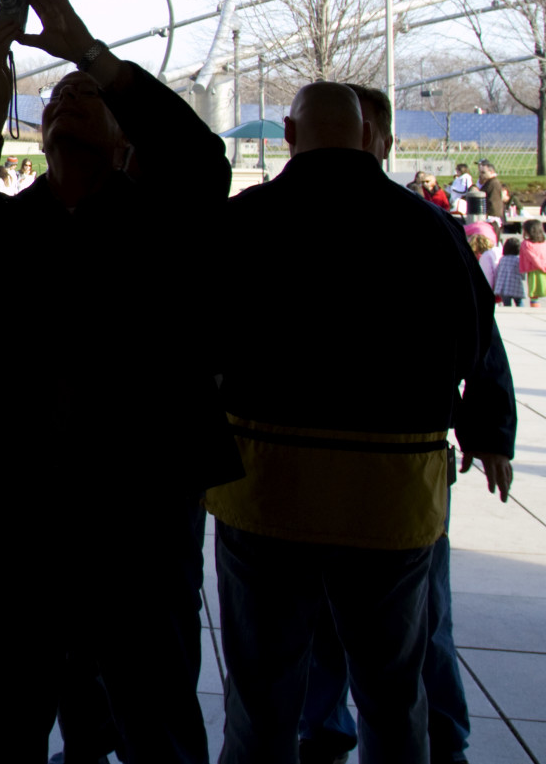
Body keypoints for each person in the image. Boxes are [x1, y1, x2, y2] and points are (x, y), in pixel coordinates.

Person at [0, 0, 240, 764]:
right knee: (10, 710)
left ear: (128, 139)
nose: (63, 103)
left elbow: (200, 158)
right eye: (53, 100)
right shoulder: (15, 231)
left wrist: (93, 54)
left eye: (85, 97)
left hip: (139, 513)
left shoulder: (164, 225)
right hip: (19, 514)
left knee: (154, 709)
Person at [206, 81, 489, 764]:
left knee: (262, 698)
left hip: (267, 487)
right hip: (390, 495)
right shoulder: (430, 228)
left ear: (290, 136)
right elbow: (473, 342)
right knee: (393, 694)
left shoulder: (246, 221)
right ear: (368, 136)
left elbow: (200, 339)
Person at [295, 87, 515, 764]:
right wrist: (485, 428)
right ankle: (425, 738)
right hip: (402, 469)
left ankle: (353, 733)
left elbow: (479, 340)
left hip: (315, 465)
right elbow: (482, 338)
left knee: (374, 624)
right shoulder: (428, 229)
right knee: (412, 622)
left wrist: (485, 426)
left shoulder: (278, 218)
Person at [519, 220, 546, 306]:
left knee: (534, 294)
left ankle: (535, 309)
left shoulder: (526, 244)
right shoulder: (544, 242)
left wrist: (544, 267)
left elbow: (534, 259)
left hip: (535, 271)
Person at [494, 238, 527, 307]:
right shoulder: (519, 260)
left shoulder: (502, 259)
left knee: (507, 305)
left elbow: (499, 271)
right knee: (519, 302)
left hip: (504, 287)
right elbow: (523, 274)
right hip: (516, 286)